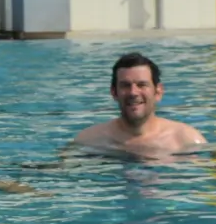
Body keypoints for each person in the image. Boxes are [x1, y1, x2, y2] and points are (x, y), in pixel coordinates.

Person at [70, 53, 206, 157]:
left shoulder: (186, 140)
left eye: (142, 85)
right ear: (114, 92)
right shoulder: (90, 141)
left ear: (158, 91)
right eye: (125, 85)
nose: (133, 92)